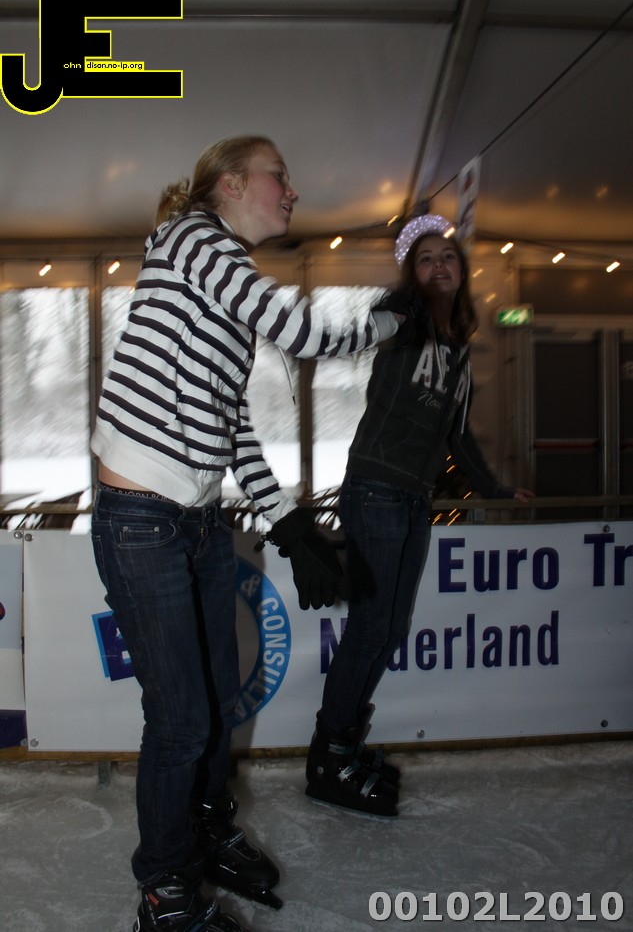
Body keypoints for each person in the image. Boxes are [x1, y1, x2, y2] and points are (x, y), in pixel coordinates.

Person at [89, 135, 401, 932]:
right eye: (279, 177)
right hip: (140, 521)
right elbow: (296, 331)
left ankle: (203, 829)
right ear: (229, 184)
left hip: (195, 522)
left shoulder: (216, 293)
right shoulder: (192, 238)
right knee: (181, 718)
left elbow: (231, 430)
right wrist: (382, 321)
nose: (291, 192)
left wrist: (289, 523)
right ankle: (163, 893)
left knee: (217, 701)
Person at [305, 213, 533, 819]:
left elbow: (459, 436)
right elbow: (387, 309)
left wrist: (493, 489)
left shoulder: (458, 351)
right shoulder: (405, 321)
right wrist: (407, 295)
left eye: (447, 257)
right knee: (369, 629)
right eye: (425, 259)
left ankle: (343, 746)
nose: (438, 266)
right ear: (414, 275)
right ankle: (328, 759)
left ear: (463, 271)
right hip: (375, 488)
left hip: (412, 498)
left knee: (389, 629)